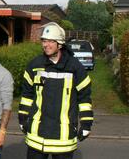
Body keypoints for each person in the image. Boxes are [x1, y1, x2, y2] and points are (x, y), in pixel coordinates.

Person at [18, 22, 93, 159]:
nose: (45, 45)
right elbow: (27, 95)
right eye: (44, 41)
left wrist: (86, 123)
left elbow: (84, 98)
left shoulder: (75, 68)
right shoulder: (35, 65)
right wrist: (22, 118)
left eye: (50, 41)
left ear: (60, 44)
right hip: (37, 136)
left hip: (62, 138)